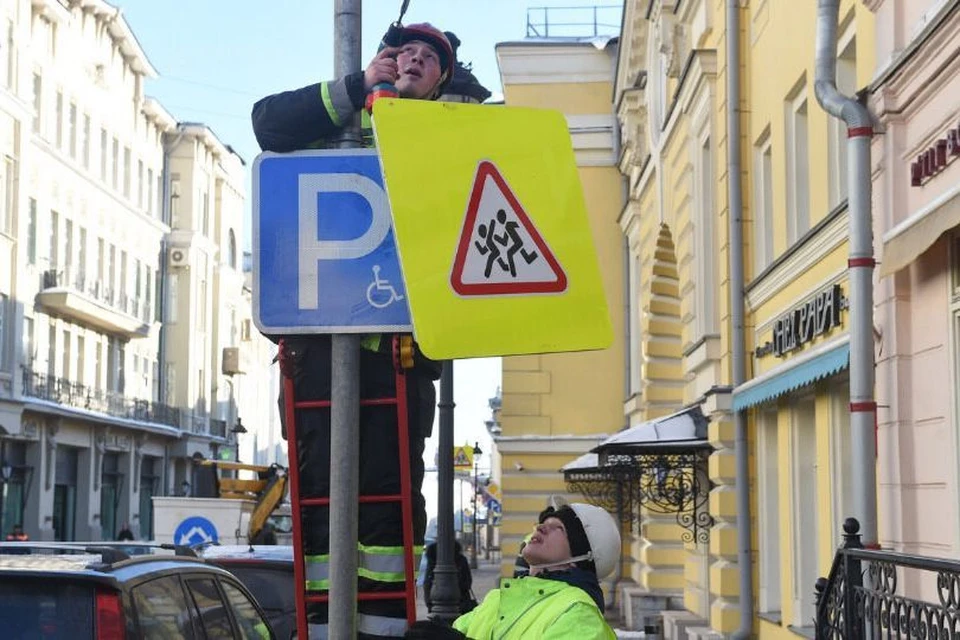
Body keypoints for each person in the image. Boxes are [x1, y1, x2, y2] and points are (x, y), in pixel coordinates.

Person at [251, 21, 456, 640]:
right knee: (320, 493)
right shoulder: (337, 120)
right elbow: (267, 124)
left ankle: (384, 627)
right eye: (405, 52)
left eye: (428, 58)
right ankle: (323, 623)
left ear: (441, 80)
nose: (413, 60)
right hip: (319, 350)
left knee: (390, 498)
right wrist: (355, 86)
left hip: (398, 356)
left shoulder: (446, 132)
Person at [407, 503, 620, 639]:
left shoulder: (579, 614)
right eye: (544, 523)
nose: (540, 527)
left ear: (580, 558)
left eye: (558, 528)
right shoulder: (499, 598)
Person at [423, 540, 476, 615]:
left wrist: (429, 602)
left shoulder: (433, 559)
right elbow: (467, 581)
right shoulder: (461, 559)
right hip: (460, 602)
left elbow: (427, 582)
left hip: (436, 604)